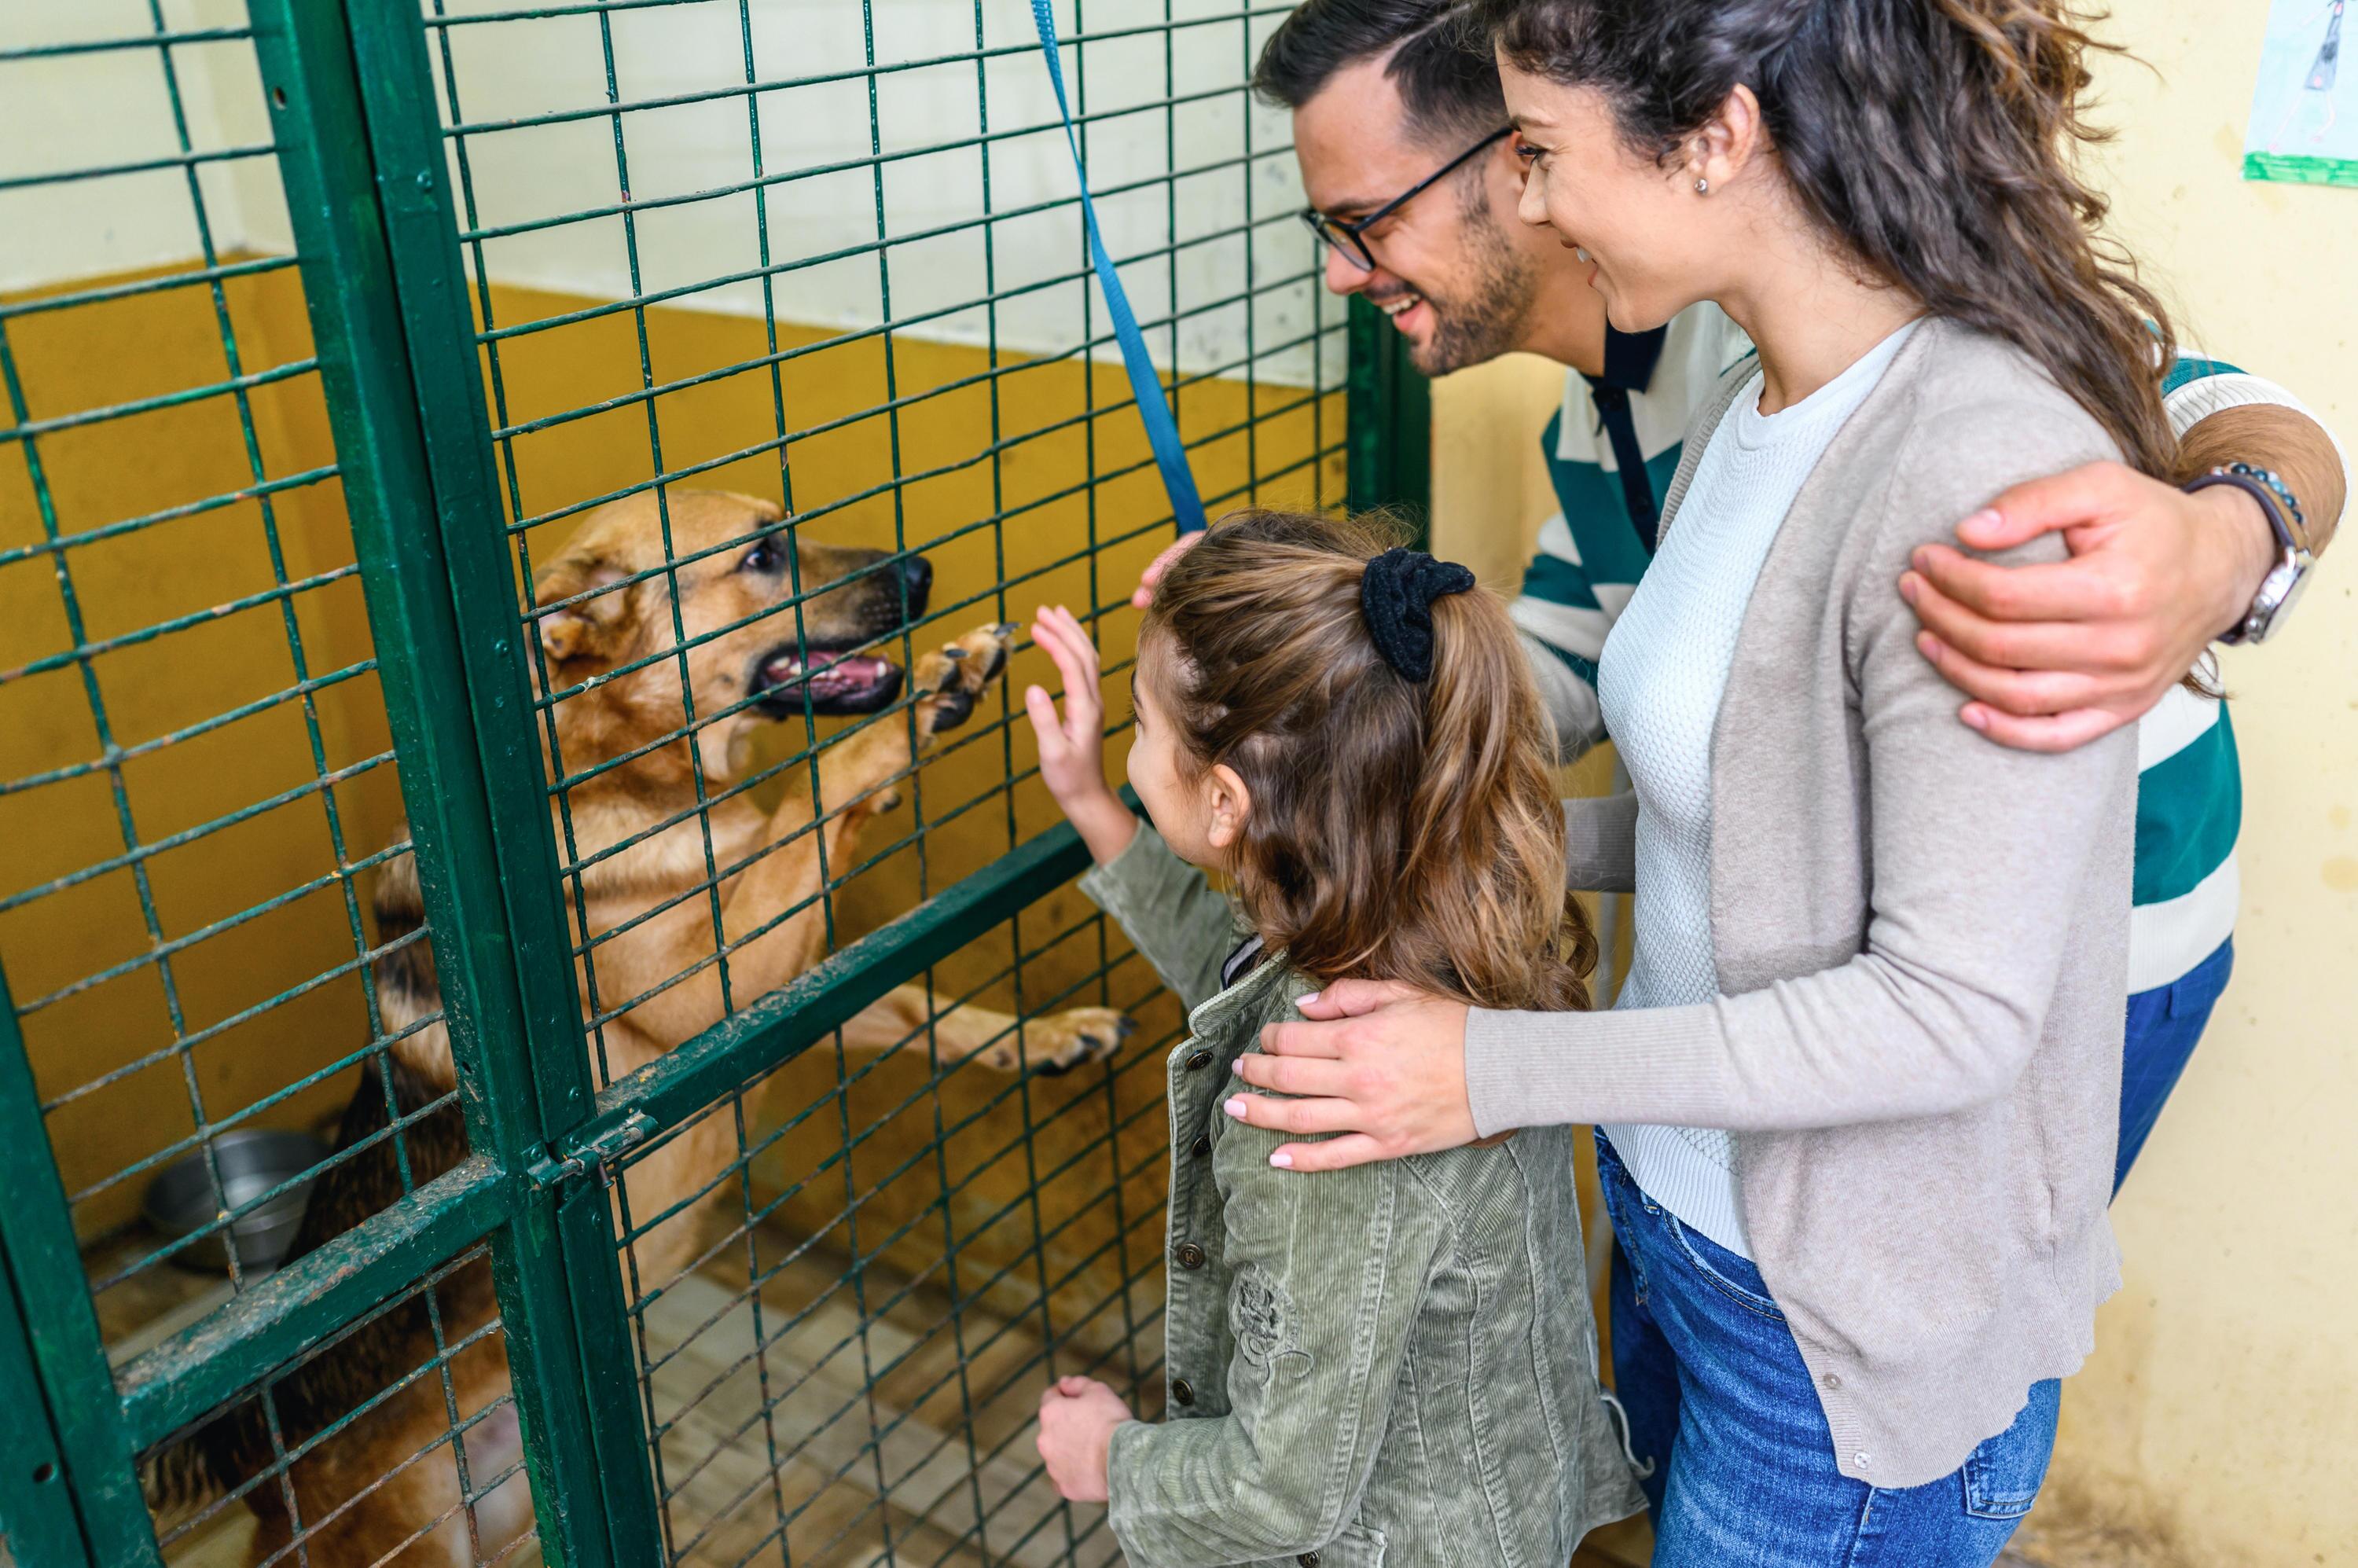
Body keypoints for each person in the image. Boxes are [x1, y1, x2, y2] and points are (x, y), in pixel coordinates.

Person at [1205, 0, 2247, 1561]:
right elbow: (1736, 794)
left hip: (1849, 1282)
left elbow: (1947, 1013)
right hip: (1696, 1204)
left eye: (1540, 151)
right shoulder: (1740, 405)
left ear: (1713, 137)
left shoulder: (1973, 455)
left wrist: (1492, 1066)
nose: (1533, 199)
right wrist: (1410, 816)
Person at [1159, 0, 2356, 1194]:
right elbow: (1563, 668)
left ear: (1525, 148)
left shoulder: (1819, 341)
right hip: (1798, 974)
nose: (1342, 270)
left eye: (1367, 221)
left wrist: (2227, 539)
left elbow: (2222, 407)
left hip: (2097, 942)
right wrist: (1296, 666)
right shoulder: (1618, 412)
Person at [1023, 513, 1647, 1565]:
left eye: (1138, 725)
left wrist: (1111, 1460)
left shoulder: (1327, 1099)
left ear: (1227, 802)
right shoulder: (1438, 915)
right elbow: (1236, 975)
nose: (1129, 752)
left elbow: (1279, 1492)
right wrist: (1092, 800)